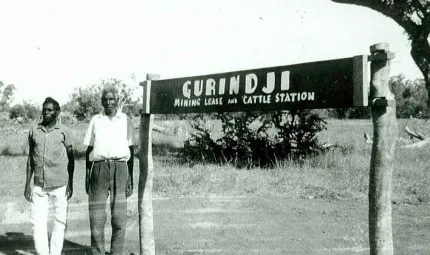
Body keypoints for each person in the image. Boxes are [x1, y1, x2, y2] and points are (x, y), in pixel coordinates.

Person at [83, 86, 135, 255]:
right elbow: (89, 149)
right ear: (102, 102)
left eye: (112, 99)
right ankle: (97, 252)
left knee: (119, 216)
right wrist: (87, 175)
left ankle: (116, 252)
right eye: (105, 99)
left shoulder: (126, 120)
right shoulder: (96, 120)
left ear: (117, 101)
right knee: (96, 216)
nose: (109, 102)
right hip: (99, 168)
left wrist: (130, 177)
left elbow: (131, 150)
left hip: (120, 168)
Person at [24, 97, 75, 255]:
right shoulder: (35, 130)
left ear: (57, 112)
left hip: (60, 184)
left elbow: (71, 158)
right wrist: (27, 184)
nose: (45, 112)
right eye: (44, 109)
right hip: (39, 184)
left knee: (59, 222)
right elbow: (30, 159)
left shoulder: (64, 131)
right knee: (37, 222)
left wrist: (70, 183)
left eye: (49, 110)